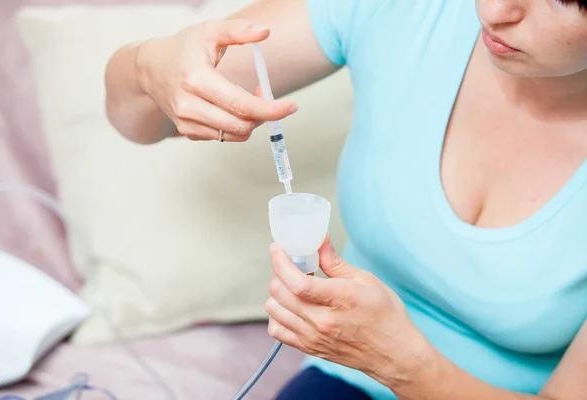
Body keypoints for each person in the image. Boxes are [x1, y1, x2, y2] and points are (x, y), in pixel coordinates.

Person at [104, 0, 587, 398]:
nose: (498, 10)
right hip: (345, 382)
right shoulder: (407, 10)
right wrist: (152, 68)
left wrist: (403, 363)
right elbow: (138, 118)